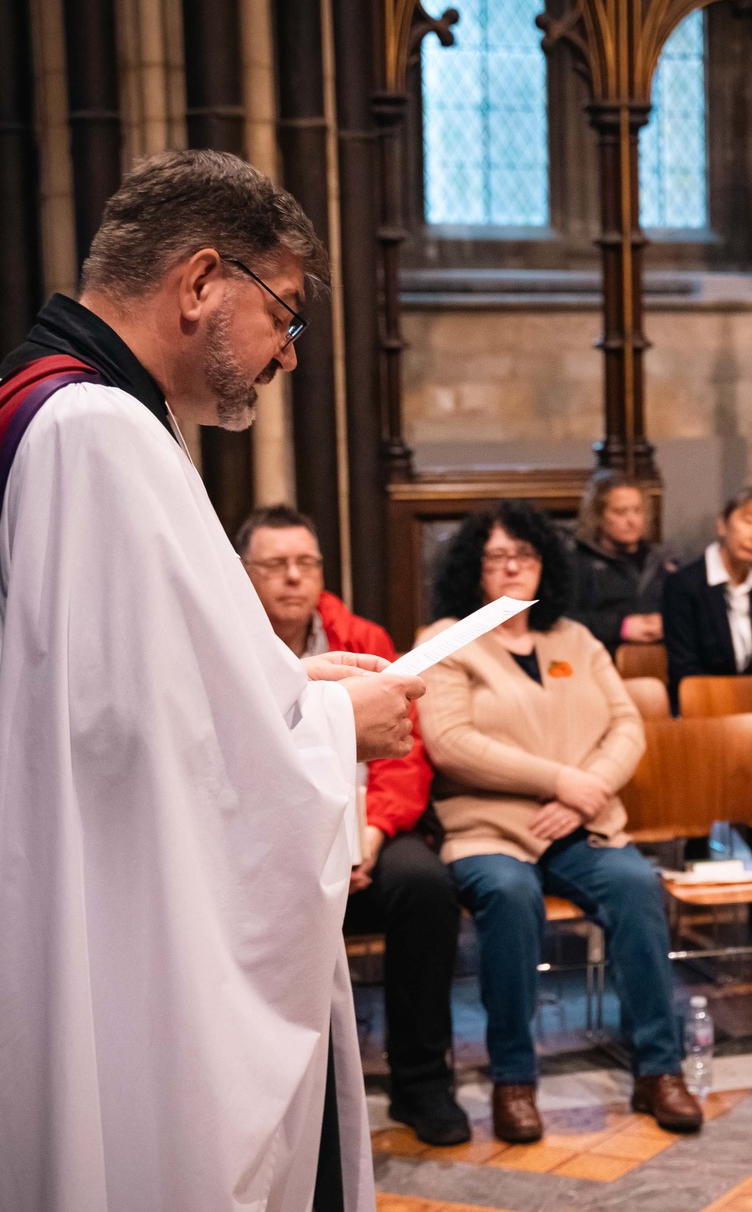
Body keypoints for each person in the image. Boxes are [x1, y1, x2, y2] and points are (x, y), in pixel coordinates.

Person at [0, 151, 419, 1212]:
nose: (287, 352)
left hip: (19, 902)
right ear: (203, 280)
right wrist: (333, 726)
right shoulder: (101, 434)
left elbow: (82, 704)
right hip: (89, 946)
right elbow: (152, 758)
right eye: (284, 312)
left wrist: (287, 682)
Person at [418, 500, 702, 1143]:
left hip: (581, 820)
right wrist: (559, 779)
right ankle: (514, 1080)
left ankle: (659, 1069)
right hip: (487, 827)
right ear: (473, 569)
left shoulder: (575, 637)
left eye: (526, 554)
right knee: (513, 897)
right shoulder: (445, 639)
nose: (513, 568)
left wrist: (587, 789)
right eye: (497, 557)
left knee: (635, 887)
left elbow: (627, 723)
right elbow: (451, 742)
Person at [236, 504, 471, 1148]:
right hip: (269, 843)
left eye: (305, 563)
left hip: (365, 828)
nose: (293, 578)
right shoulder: (228, 643)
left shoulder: (361, 636)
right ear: (243, 573)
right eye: (275, 565)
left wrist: (369, 835)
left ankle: (423, 1082)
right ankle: (281, 1096)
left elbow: (404, 748)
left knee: (425, 888)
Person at [662, 486, 752, 710]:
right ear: (722, 525)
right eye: (748, 522)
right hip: (701, 706)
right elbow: (685, 670)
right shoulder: (684, 584)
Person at [571, 470, 673, 655]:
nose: (632, 520)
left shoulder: (663, 561)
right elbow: (564, 622)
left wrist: (668, 622)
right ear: (599, 516)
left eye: (637, 510)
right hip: (601, 659)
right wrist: (620, 627)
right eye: (620, 512)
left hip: (662, 659)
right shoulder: (578, 562)